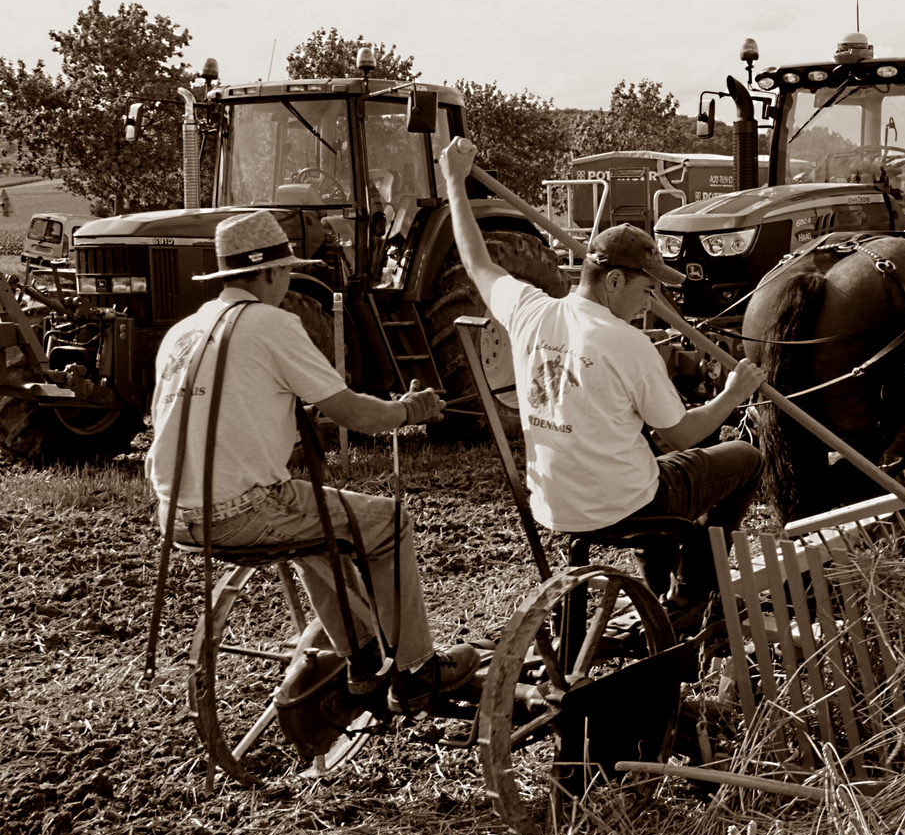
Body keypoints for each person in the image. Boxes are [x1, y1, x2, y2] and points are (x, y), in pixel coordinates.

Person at [148, 209, 476, 715]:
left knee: (315, 531)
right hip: (243, 510)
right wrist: (410, 409)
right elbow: (348, 411)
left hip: (174, 515)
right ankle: (417, 669)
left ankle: (363, 656)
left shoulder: (184, 333)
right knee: (389, 522)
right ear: (273, 273)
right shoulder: (272, 324)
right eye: (286, 272)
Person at [438, 137, 766, 629]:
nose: (651, 299)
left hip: (555, 504)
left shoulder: (530, 311)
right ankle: (691, 594)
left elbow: (478, 264)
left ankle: (658, 583)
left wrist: (453, 184)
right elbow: (681, 434)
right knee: (745, 460)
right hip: (623, 505)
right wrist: (731, 395)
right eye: (647, 287)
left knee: (648, 459)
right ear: (614, 282)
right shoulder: (625, 343)